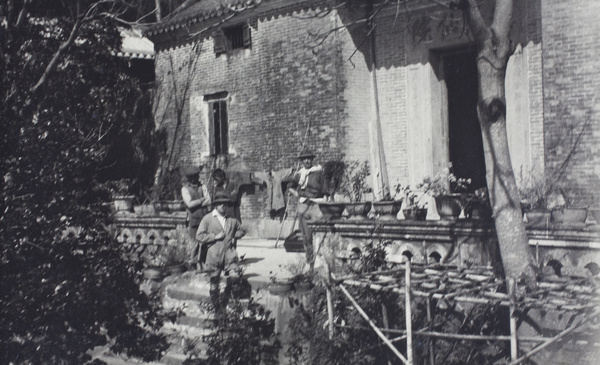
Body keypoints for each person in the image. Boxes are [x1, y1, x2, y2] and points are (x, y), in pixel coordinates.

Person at [196, 192, 246, 315]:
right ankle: (218, 308)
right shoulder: (208, 219)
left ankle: (231, 304)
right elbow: (199, 235)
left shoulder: (232, 220)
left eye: (225, 204)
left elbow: (242, 230)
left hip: (229, 254)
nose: (223, 206)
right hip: (214, 255)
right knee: (214, 281)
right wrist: (214, 236)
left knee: (235, 277)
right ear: (215, 206)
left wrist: (234, 236)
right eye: (220, 204)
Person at [287, 149, 328, 268]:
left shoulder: (318, 172)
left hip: (316, 205)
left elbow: (325, 190)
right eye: (304, 159)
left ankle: (323, 263)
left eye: (309, 158)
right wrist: (297, 194)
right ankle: (310, 264)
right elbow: (290, 187)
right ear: (301, 161)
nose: (307, 160)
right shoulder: (299, 174)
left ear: (312, 159)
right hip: (303, 206)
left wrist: (325, 201)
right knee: (307, 236)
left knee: (320, 234)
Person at [181, 166, 211, 238]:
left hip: (204, 217)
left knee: (205, 240)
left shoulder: (203, 186)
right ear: (188, 178)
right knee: (194, 242)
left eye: (196, 176)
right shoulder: (185, 189)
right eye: (192, 177)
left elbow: (209, 200)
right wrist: (201, 200)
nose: (194, 179)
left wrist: (196, 203)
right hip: (193, 220)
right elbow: (190, 204)